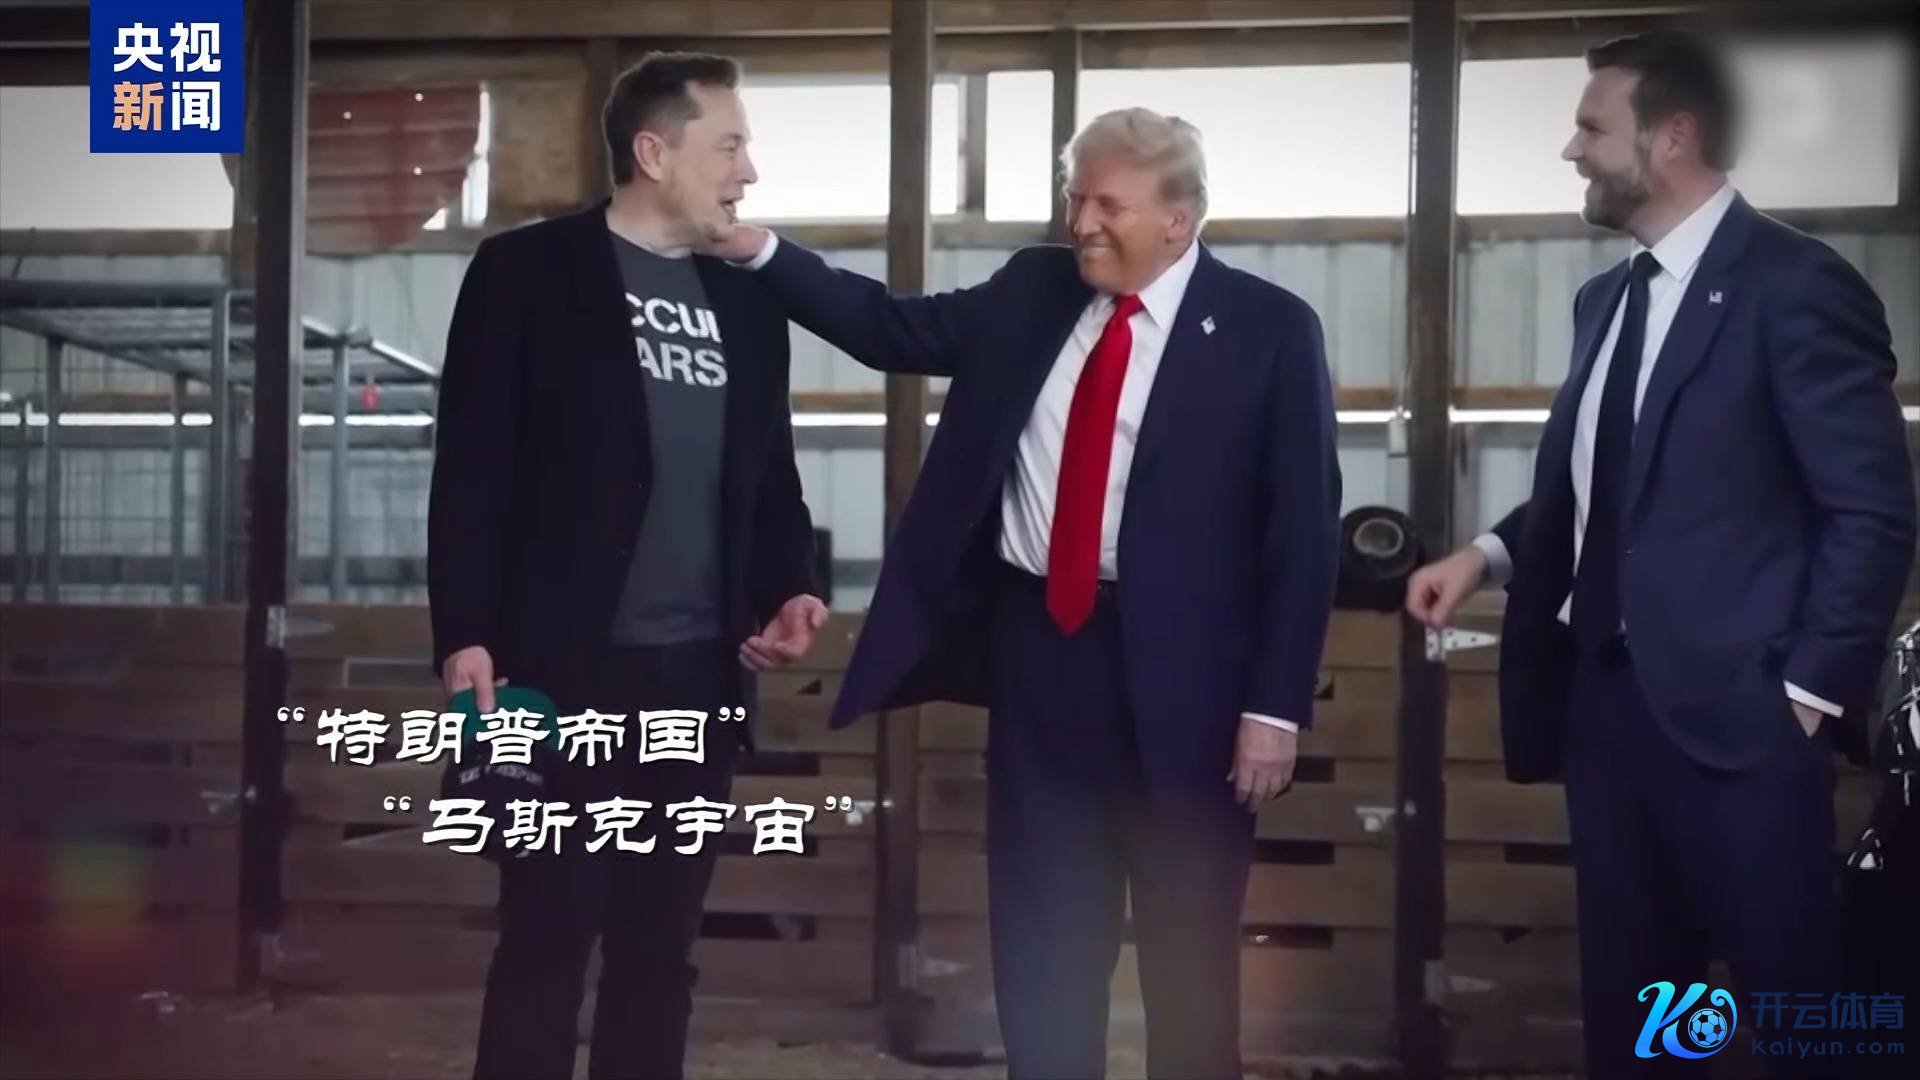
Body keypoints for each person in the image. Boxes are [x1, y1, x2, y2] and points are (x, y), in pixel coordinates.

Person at [707, 107, 1341, 1079]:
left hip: (1198, 688)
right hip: (1043, 655)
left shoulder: (1269, 329)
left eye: (1109, 205)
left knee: (1189, 957)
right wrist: (757, 250)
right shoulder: (1034, 290)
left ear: (1179, 219)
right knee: (1045, 945)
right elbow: (888, 327)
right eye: (1075, 198)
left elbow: (1301, 533)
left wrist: (1274, 707)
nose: (1082, 223)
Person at [1405, 30, 1915, 1078]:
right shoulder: (1606, 300)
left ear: (1672, 136)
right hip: (1607, 715)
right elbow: (1606, 491)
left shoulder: (1796, 286)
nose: (1572, 151)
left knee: (1800, 1017)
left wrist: (1807, 693)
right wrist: (1487, 557)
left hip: (1745, 723)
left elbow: (1872, 511)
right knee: (1646, 1017)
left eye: (1592, 128)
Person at [426, 52, 827, 1080]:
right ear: (654, 153)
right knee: (546, 937)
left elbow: (770, 478)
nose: (748, 171)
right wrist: (465, 634)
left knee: (660, 951)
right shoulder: (527, 273)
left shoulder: (747, 301)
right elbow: (471, 467)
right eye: (728, 146)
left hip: (697, 677)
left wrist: (790, 586)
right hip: (557, 672)